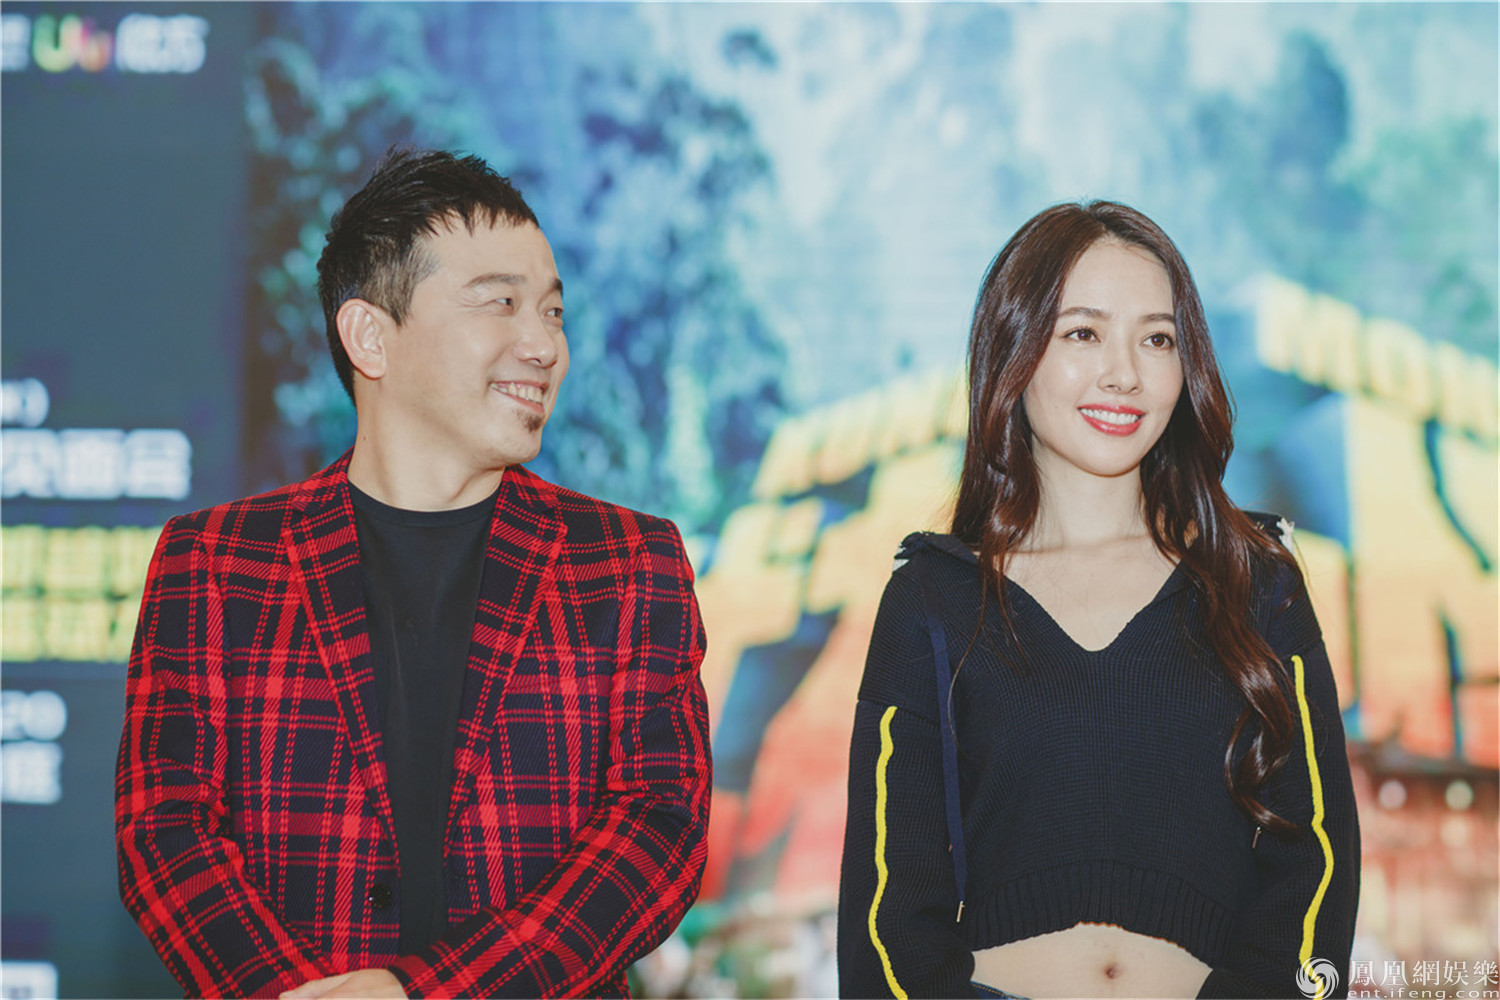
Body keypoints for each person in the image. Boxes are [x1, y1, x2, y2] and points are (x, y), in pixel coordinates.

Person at [115, 148, 712, 999]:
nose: (543, 345)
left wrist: (422, 993)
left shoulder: (625, 564)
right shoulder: (216, 562)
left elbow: (658, 829)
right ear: (370, 336)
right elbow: (166, 828)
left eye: (553, 311)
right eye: (500, 302)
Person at [838, 202, 1359, 999]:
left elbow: (1317, 868)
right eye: (1083, 333)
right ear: (1014, 349)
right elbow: (886, 916)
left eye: (1158, 339)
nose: (1125, 373)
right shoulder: (932, 599)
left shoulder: (1257, 583)